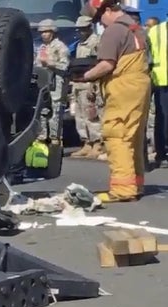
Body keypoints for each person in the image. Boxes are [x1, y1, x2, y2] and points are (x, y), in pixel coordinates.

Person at [77, 0, 151, 202]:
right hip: (140, 83)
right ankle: (135, 184)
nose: (99, 23)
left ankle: (123, 190)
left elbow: (107, 65)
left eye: (99, 17)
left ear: (108, 9)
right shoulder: (136, 27)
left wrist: (85, 76)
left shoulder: (114, 31)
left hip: (123, 85)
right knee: (132, 136)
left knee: (116, 134)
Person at [70, 16, 103, 159]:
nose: (81, 32)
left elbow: (97, 65)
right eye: (79, 29)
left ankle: (97, 143)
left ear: (90, 27)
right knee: (80, 115)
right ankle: (86, 142)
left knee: (91, 114)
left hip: (89, 83)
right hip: (78, 83)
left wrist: (93, 86)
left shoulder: (96, 42)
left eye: (84, 29)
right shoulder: (79, 44)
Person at [35, 19, 70, 142]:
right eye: (41, 32)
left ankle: (55, 137)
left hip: (56, 82)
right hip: (43, 83)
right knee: (42, 110)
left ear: (52, 32)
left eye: (46, 32)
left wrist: (49, 64)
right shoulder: (42, 47)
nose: (43, 34)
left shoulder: (60, 47)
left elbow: (64, 66)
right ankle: (42, 136)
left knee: (56, 110)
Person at [148, 15, 168, 168]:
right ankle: (162, 153)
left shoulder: (155, 31)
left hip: (160, 78)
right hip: (161, 80)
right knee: (163, 118)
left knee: (162, 118)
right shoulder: (155, 31)